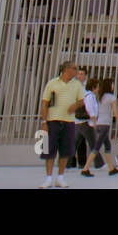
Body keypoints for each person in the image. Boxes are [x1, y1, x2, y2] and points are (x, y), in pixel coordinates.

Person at [39, 60, 85, 189]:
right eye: (74, 68)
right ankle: (48, 178)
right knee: (49, 150)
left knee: (65, 151)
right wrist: (44, 122)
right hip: (52, 121)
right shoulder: (52, 83)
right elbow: (45, 103)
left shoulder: (77, 85)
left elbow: (82, 100)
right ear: (66, 70)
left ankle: (60, 177)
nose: (76, 71)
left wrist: (76, 105)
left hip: (69, 121)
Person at [77, 78, 101, 177]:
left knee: (77, 142)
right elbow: (91, 110)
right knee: (94, 145)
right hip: (88, 123)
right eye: (98, 86)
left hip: (84, 123)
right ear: (93, 87)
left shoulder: (90, 96)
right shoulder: (90, 97)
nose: (99, 88)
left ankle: (68, 162)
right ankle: (95, 165)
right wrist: (95, 123)